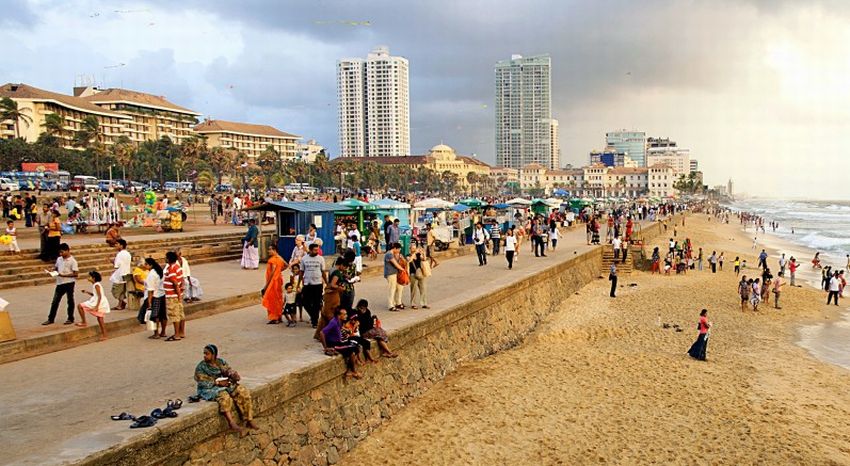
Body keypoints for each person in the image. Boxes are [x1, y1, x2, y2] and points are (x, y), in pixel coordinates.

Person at [194, 344, 258, 433]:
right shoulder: (201, 367)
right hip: (208, 388)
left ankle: (248, 419)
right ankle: (231, 423)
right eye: (204, 353)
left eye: (207, 354)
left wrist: (232, 374)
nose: (205, 356)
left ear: (213, 355)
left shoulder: (220, 362)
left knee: (242, 391)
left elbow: (227, 370)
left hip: (223, 384)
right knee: (224, 396)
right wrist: (217, 382)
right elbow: (202, 382)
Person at [318, 307, 362, 379]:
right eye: (344, 314)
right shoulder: (333, 322)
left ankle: (349, 371)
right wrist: (325, 347)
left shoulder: (339, 321)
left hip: (339, 342)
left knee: (356, 345)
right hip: (334, 344)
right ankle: (353, 371)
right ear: (339, 315)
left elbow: (340, 328)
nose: (346, 316)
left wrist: (347, 330)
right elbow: (322, 332)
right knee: (352, 350)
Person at [44, 243, 79, 325]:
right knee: (55, 301)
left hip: (69, 282)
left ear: (67, 251)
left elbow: (76, 273)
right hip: (60, 282)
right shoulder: (59, 259)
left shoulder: (72, 261)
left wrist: (64, 275)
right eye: (60, 252)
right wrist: (52, 269)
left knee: (70, 300)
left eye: (62, 252)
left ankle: (70, 318)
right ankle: (51, 318)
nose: (61, 254)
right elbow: (56, 267)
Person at [315, 258, 347, 338]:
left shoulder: (332, 269)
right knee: (331, 314)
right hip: (333, 295)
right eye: (345, 267)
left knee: (325, 314)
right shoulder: (336, 272)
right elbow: (332, 284)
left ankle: (320, 334)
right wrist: (340, 288)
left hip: (329, 294)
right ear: (341, 265)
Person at [74, 271, 111, 340]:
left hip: (98, 302)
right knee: (100, 318)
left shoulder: (96, 285)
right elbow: (96, 294)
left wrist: (97, 306)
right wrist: (86, 292)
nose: (88, 278)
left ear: (93, 278)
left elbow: (99, 296)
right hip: (97, 301)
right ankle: (104, 334)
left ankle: (84, 322)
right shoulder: (95, 285)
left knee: (80, 306)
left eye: (89, 276)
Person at [300, 243, 327, 328]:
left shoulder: (321, 259)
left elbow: (323, 272)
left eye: (317, 250)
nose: (317, 251)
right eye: (315, 250)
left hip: (318, 284)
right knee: (305, 302)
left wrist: (327, 282)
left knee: (316, 302)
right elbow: (301, 272)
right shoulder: (304, 259)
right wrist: (298, 284)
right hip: (307, 283)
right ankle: (313, 316)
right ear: (310, 250)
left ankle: (314, 322)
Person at [262, 244, 287, 324]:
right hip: (278, 280)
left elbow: (272, 273)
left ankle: (274, 317)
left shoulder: (272, 260)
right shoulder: (279, 258)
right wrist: (279, 271)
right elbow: (286, 265)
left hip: (273, 282)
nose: (268, 251)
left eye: (270, 249)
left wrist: (266, 285)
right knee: (278, 298)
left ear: (274, 250)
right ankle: (278, 316)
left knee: (271, 299)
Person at [163, 251, 185, 341]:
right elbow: (182, 280)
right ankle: (181, 332)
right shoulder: (177, 267)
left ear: (168, 259)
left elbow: (175, 283)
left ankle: (177, 334)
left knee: (175, 315)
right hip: (177, 294)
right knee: (180, 314)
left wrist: (179, 295)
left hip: (172, 295)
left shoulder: (171, 268)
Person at [144, 257, 168, 338]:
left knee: (155, 315)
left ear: (150, 265)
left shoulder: (151, 275)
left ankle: (156, 333)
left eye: (146, 264)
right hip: (162, 294)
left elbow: (150, 290)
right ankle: (163, 331)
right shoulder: (159, 271)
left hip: (155, 296)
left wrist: (149, 301)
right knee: (163, 314)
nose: (144, 266)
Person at [408, 244, 436, 309]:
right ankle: (413, 304)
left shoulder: (418, 255)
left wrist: (423, 253)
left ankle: (424, 303)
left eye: (415, 248)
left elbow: (424, 259)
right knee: (413, 290)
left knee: (423, 288)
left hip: (420, 273)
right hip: (413, 274)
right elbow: (409, 260)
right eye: (413, 248)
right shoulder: (408, 255)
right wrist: (414, 253)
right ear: (410, 249)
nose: (414, 250)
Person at [109, 239, 132, 311]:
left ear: (121, 245)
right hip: (126, 274)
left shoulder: (119, 254)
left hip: (119, 276)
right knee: (122, 291)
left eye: (117, 244)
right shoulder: (128, 253)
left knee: (115, 291)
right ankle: (120, 304)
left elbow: (116, 266)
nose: (115, 245)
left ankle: (122, 302)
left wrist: (112, 261)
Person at [384, 243, 405, 311]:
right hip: (390, 273)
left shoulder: (394, 254)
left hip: (395, 273)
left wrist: (399, 256)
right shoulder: (389, 254)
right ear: (395, 248)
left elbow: (399, 262)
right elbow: (395, 264)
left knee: (398, 288)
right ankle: (391, 305)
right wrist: (402, 269)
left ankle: (397, 302)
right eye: (398, 249)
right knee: (392, 289)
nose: (399, 251)